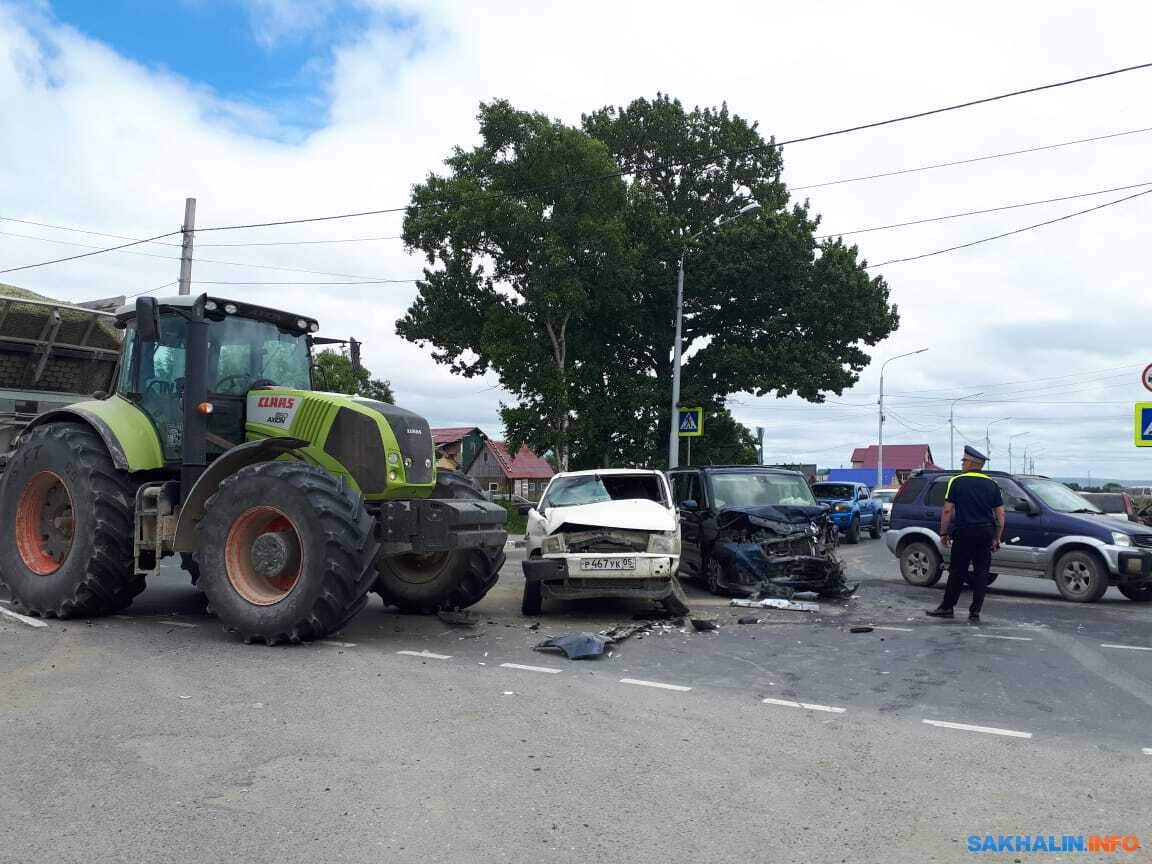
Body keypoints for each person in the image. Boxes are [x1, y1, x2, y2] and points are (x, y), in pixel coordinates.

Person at [926, 445, 1006, 623]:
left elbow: (947, 511)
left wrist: (943, 533)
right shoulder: (993, 484)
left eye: (964, 461)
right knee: (981, 573)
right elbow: (1000, 515)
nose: (962, 463)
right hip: (985, 532)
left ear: (971, 463)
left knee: (957, 571)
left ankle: (947, 608)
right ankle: (975, 612)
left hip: (964, 532)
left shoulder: (957, 481)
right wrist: (997, 537)